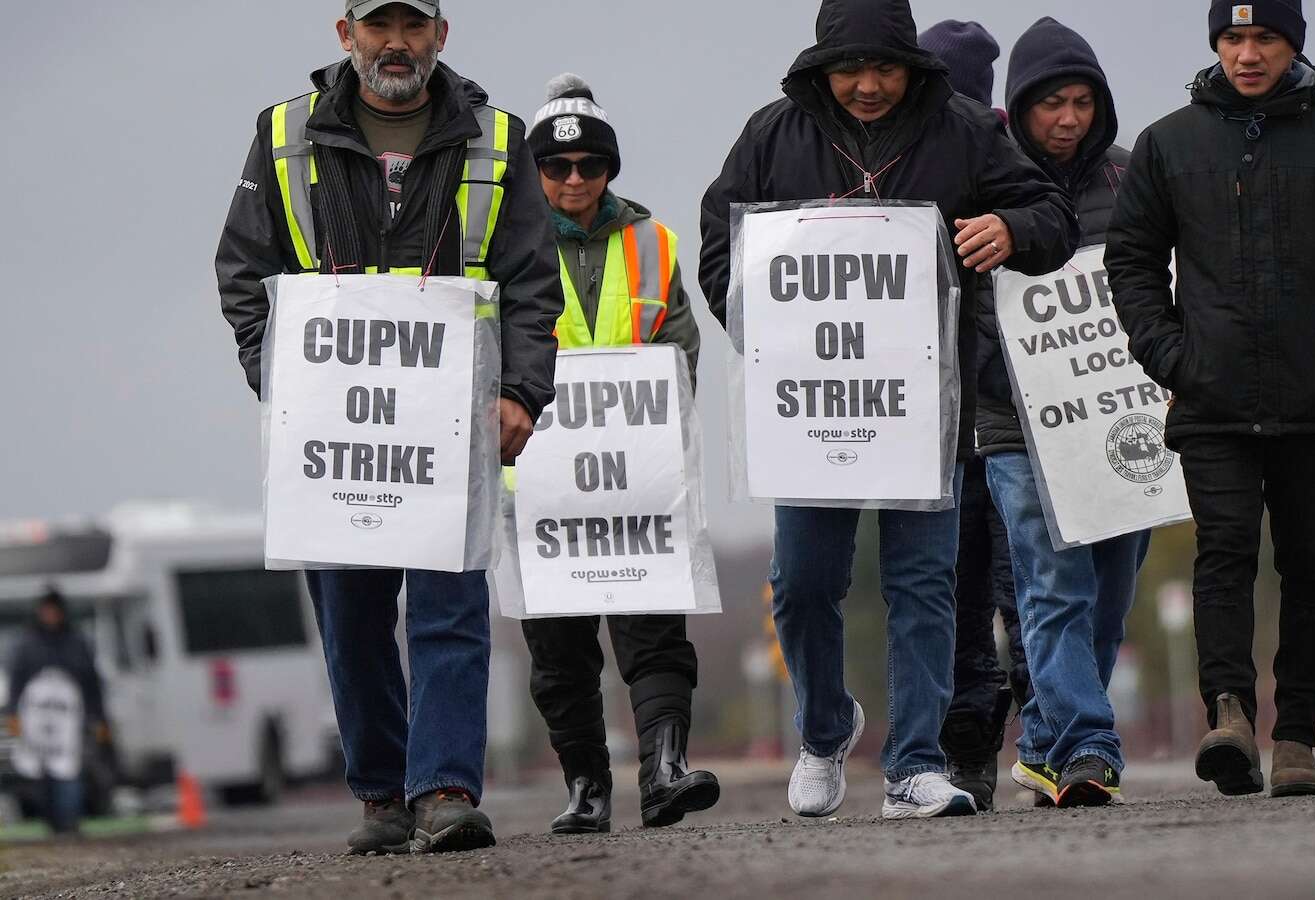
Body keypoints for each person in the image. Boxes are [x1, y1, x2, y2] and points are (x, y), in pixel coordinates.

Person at [700, 0, 1076, 821]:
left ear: (913, 65)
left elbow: (1054, 217)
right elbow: (719, 247)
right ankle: (825, 729)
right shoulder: (772, 134)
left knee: (925, 584)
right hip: (811, 407)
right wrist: (761, 325)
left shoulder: (967, 129)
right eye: (850, 69)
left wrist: (1009, 229)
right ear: (819, 68)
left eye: (886, 69)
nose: (868, 86)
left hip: (924, 405)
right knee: (801, 585)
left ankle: (914, 763)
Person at [216, 0, 563, 852]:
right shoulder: (283, 133)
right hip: (331, 429)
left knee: (450, 605)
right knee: (351, 612)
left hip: (453, 421)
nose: (396, 43)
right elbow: (241, 269)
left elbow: (530, 277)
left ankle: (444, 789)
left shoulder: (497, 136)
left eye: (414, 26)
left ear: (442, 35)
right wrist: (283, 380)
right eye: (379, 27)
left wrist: (523, 389)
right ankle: (382, 794)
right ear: (347, 35)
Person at [1107, 0, 1315, 798]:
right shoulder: (1168, 143)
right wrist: (1169, 355)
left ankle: (1298, 739)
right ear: (1216, 42)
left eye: (1266, 39)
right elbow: (1131, 259)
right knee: (1224, 556)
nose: (1249, 54)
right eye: (1235, 38)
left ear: (1294, 45)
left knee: (1310, 563)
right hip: (1209, 397)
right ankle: (1230, 717)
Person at [519, 73, 718, 835]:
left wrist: (654, 441)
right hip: (540, 484)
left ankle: (665, 772)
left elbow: (681, 352)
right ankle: (586, 789)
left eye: (590, 167)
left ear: (610, 171)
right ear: (537, 170)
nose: (574, 180)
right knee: (559, 650)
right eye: (557, 167)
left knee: (656, 631)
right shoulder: (505, 243)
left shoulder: (653, 241)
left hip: (639, 480)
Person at [969, 16, 1155, 810]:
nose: (1069, 118)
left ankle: (1046, 739)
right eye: (1052, 104)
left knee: (1109, 592)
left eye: (1082, 101)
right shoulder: (984, 181)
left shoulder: (1134, 179)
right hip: (1016, 424)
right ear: (1022, 106)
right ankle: (1087, 745)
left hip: (1122, 418)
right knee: (1052, 583)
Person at [916, 18, 1025, 814]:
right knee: (994, 590)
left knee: (968, 592)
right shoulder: (1010, 168)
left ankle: (981, 746)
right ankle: (1007, 740)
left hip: (982, 422)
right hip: (975, 421)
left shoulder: (984, 176)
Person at [3, 590, 107, 835]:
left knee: (70, 769)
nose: (50, 615)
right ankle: (51, 822)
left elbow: (91, 683)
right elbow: (16, 681)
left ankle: (69, 821)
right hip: (37, 722)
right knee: (41, 774)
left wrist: (98, 717)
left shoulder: (76, 642)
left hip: (71, 721)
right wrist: (12, 714)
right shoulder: (27, 644)